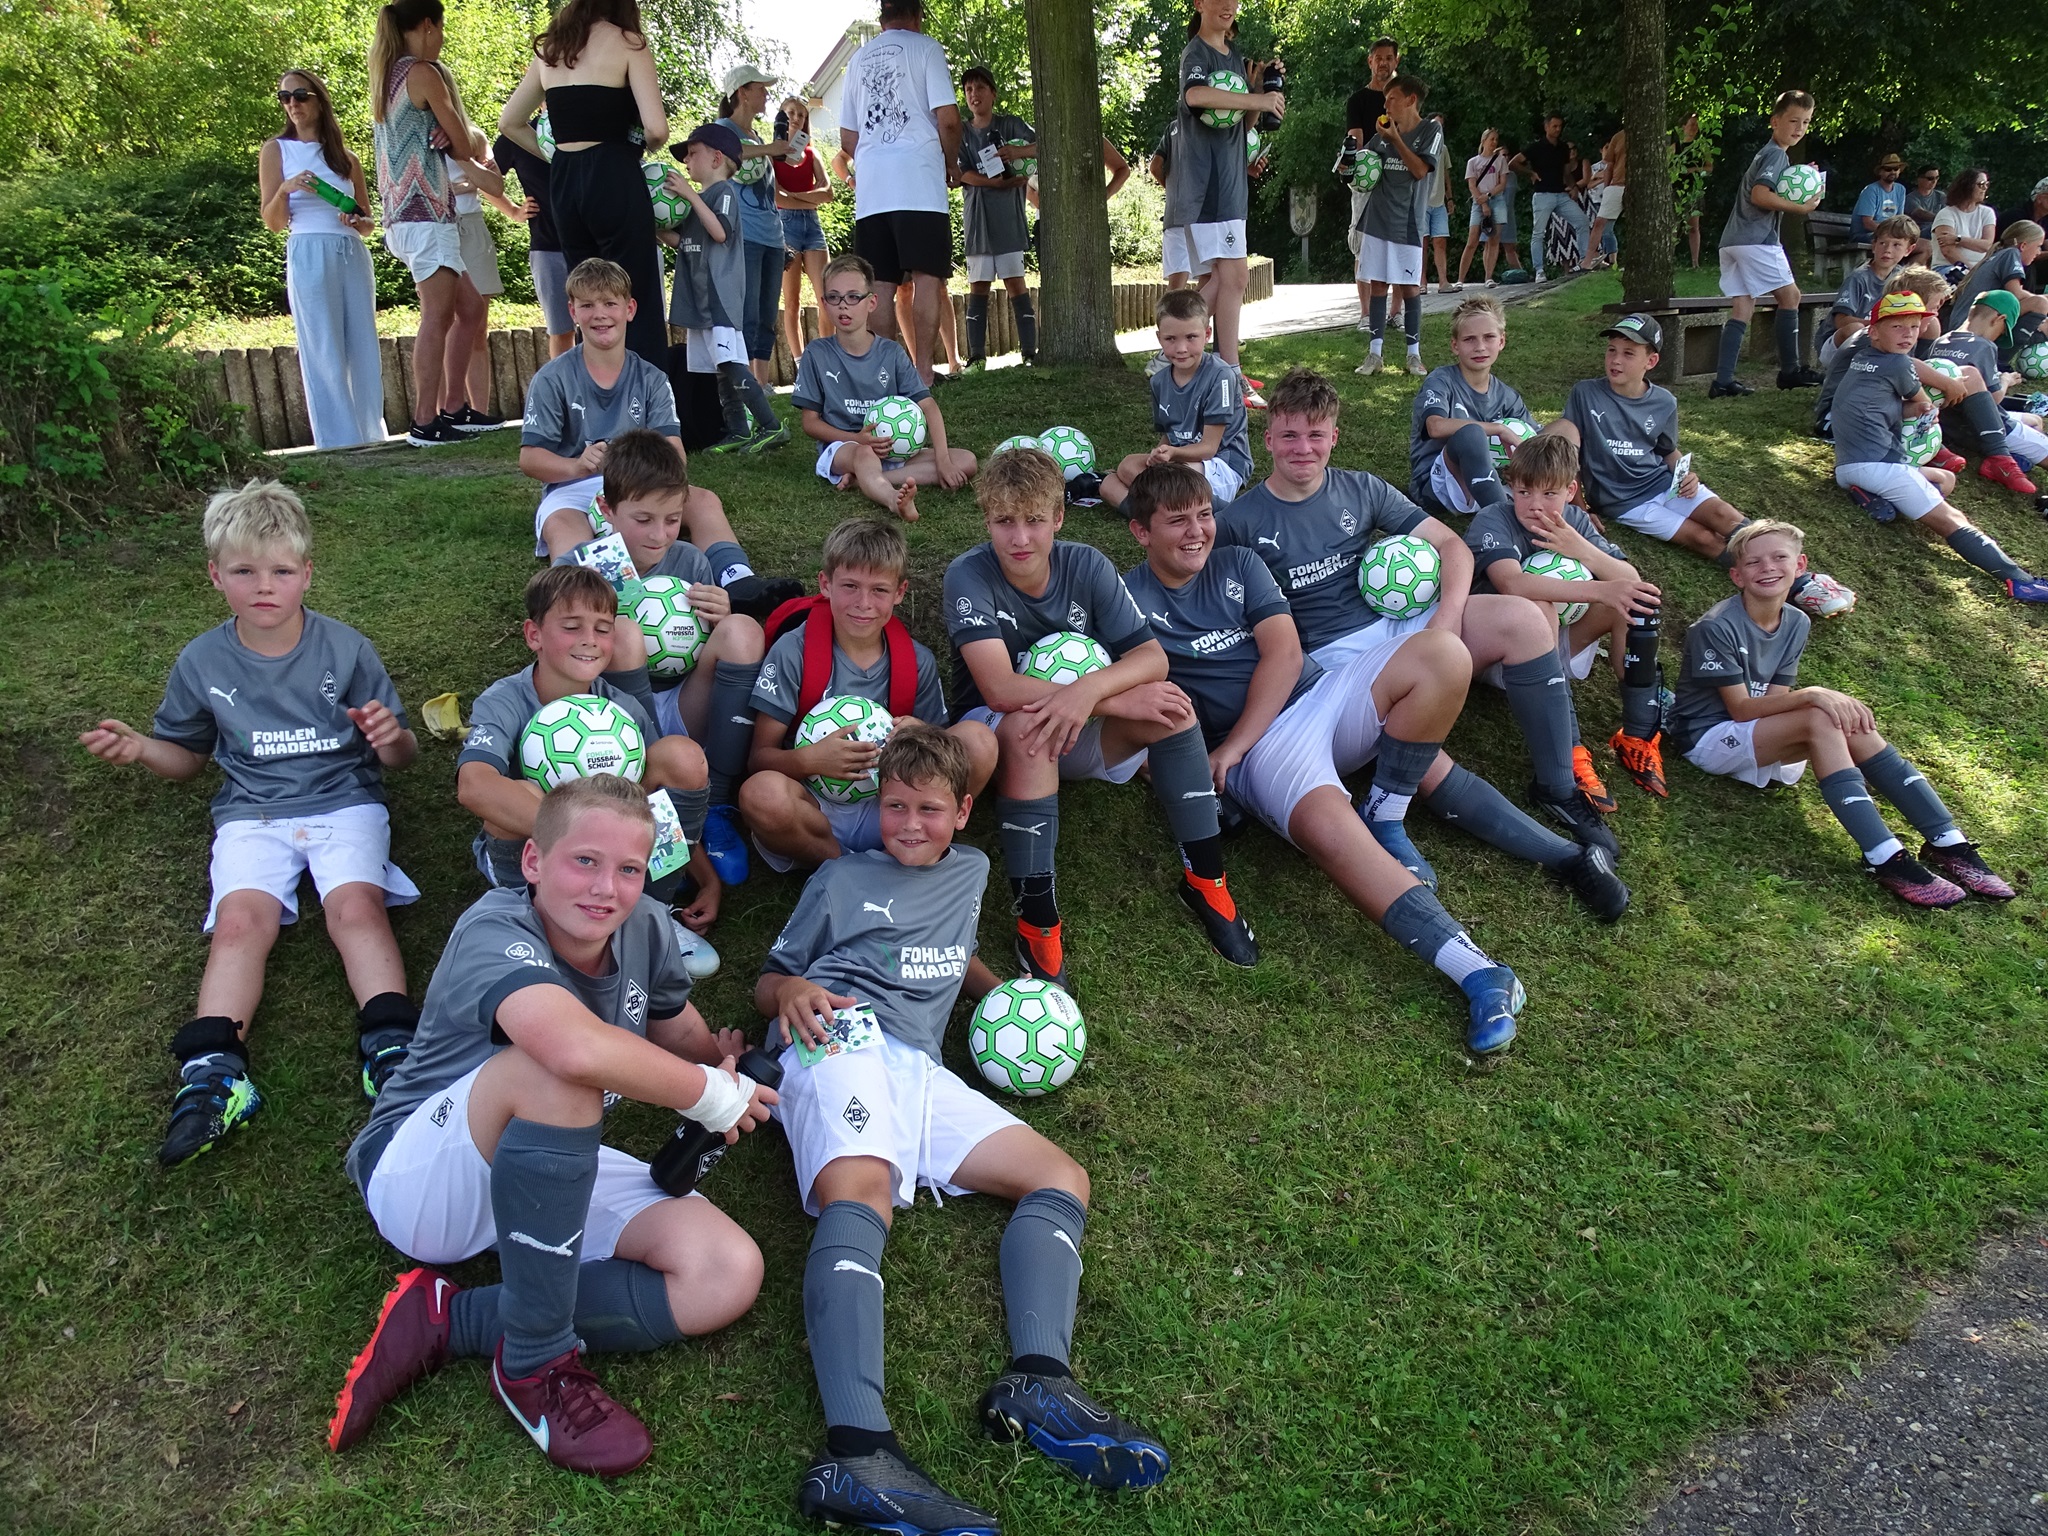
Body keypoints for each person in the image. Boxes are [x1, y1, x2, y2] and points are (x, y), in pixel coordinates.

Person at [759, 728, 1169, 1532]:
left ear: (963, 812)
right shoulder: (840, 878)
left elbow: (947, 952)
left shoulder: (973, 871)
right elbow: (771, 976)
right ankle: (856, 1452)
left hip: (918, 1065)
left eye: (928, 809)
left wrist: (1008, 996)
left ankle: (1040, 1382)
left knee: (1060, 1177)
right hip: (838, 1037)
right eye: (895, 807)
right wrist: (789, 993)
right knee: (863, 1193)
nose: (909, 824)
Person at [328, 774, 775, 1475]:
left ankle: (448, 1320)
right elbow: (571, 1048)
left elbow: (673, 1027)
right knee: (555, 1070)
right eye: (585, 861)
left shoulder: (644, 927)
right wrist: (709, 1096)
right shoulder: (494, 926)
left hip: (543, 1167)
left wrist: (731, 1068)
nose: (606, 888)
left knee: (725, 1270)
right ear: (534, 862)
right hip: (424, 1181)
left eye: (629, 869)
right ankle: (534, 1364)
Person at [1126, 466, 1624, 1031]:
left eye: (1204, 515)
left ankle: (1417, 820)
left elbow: (1284, 656)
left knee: (1442, 653)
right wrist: (1194, 762)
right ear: (1141, 532)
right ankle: (1483, 974)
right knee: (1332, 833)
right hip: (1263, 750)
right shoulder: (1127, 600)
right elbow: (1123, 709)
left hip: (1316, 695)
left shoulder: (1238, 562)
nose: (1197, 531)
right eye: (1177, 521)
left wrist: (1229, 748)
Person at [79, 480, 421, 1167]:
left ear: (307, 574)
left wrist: (390, 738)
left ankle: (391, 1050)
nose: (264, 586)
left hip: (345, 802)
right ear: (215, 576)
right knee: (240, 922)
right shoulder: (201, 661)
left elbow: (403, 755)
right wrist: (142, 749)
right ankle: (214, 1074)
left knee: (355, 908)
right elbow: (186, 758)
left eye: (282, 571)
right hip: (253, 813)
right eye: (244, 571)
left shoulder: (347, 649)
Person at [1219, 366, 1620, 858]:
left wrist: (1447, 618)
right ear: (1268, 439)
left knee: (1526, 620)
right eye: (1289, 436)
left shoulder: (1362, 489)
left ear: (1334, 438)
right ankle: (1397, 813)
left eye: (1315, 435)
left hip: (1401, 623)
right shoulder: (1237, 522)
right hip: (1334, 661)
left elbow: (1452, 546)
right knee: (1421, 749)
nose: (1303, 448)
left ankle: (1557, 786)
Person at [944, 447, 1259, 987]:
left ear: (1058, 517)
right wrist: (1107, 701)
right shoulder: (968, 574)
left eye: (1034, 520)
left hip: (1081, 725)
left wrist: (1087, 692)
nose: (1020, 538)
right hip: (999, 736)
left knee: (1171, 709)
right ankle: (1037, 924)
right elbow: (998, 689)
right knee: (1029, 729)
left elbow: (1152, 658)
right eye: (1004, 522)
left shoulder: (1086, 564)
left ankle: (1207, 882)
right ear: (987, 520)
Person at [1669, 521, 2018, 906]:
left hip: (1754, 735)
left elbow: (1776, 699)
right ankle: (1883, 857)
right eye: (1753, 562)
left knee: (1843, 719)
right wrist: (1815, 695)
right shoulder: (1716, 626)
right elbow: (1741, 710)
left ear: (1800, 565)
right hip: (1706, 738)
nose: (1767, 567)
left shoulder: (1797, 621)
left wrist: (1817, 704)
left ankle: (1948, 842)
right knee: (1821, 714)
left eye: (1779, 557)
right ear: (1737, 575)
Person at [456, 565, 726, 950]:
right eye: (571, 627)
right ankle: (538, 924)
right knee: (518, 791)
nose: (589, 640)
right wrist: (586, 839)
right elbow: (473, 786)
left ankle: (651, 913)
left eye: (602, 629)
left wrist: (708, 880)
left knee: (681, 756)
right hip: (537, 855)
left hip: (613, 848)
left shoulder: (621, 707)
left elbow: (663, 804)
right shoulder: (505, 700)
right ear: (534, 635)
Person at [1551, 312, 1858, 619]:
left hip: (1662, 483)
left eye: (1628, 353)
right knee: (1704, 539)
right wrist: (1581, 508)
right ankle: (1790, 584)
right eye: (1612, 350)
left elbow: (1666, 450)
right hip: (1625, 502)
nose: (1616, 360)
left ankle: (1803, 581)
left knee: (1725, 516)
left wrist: (1685, 474)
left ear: (1651, 361)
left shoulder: (1664, 402)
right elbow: (1569, 453)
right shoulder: (1585, 393)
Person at [562, 429, 765, 883]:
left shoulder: (690, 561)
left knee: (743, 631)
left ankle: (717, 804)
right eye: (643, 519)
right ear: (606, 509)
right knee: (624, 633)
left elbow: (713, 639)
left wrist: (720, 615)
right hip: (614, 722)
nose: (659, 535)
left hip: (684, 705)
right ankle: (653, 803)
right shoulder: (578, 568)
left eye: (672, 519)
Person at [741, 519, 996, 872]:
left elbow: (943, 757)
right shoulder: (793, 652)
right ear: (825, 584)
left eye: (879, 590)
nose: (863, 603)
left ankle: (904, 852)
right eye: (850, 586)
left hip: (893, 807)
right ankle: (849, 871)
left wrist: (921, 734)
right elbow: (758, 759)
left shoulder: (916, 661)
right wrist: (810, 760)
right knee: (760, 794)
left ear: (900, 592)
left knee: (979, 741)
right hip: (815, 812)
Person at [522, 259, 755, 595]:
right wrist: (576, 466)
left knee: (704, 501)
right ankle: (583, 596)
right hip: (573, 489)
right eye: (587, 305)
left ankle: (738, 580)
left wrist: (645, 474)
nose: (600, 315)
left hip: (642, 485)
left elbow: (674, 452)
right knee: (564, 526)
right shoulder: (551, 378)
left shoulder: (651, 378)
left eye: (610, 304)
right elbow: (530, 459)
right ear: (572, 311)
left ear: (629, 309)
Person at [1466, 434, 1668, 798]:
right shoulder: (1493, 519)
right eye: (1524, 492)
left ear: (1570, 490)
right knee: (1539, 605)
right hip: (1501, 656)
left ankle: (1638, 736)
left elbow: (1631, 581)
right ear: (1510, 486)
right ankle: (1571, 751)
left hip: (1558, 637)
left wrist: (1583, 550)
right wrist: (1600, 590)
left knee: (1635, 601)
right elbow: (1513, 583)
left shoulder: (1574, 521)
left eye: (1549, 493)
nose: (1535, 505)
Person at [1829, 291, 2048, 603]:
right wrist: (1933, 403)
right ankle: (2019, 580)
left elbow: (1896, 407)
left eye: (1914, 326)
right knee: (1953, 520)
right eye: (1897, 326)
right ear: (1874, 332)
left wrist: (1918, 408)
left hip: (1848, 466)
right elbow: (1926, 400)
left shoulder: (1864, 360)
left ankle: (1869, 495)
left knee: (1945, 479)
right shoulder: (1898, 363)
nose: (1908, 334)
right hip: (1881, 465)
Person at [498, 0, 672, 369]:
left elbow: (509, 122)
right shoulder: (629, 42)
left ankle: (593, 395)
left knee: (587, 297)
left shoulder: (551, 49)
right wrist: (642, 148)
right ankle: (647, 400)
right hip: (614, 171)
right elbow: (657, 129)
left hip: (565, 182)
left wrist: (558, 157)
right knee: (634, 294)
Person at [368, 0, 490, 446]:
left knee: (471, 308)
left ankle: (455, 409)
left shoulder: (386, 75)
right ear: (426, 25)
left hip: (404, 215)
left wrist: (443, 133)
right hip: (425, 213)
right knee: (436, 317)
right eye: (440, 28)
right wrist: (448, 132)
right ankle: (424, 420)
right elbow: (465, 144)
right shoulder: (422, 72)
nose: (441, 39)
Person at [792, 253, 975, 522]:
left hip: (893, 449)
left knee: (966, 461)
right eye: (834, 297)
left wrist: (944, 461)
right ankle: (893, 500)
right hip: (845, 448)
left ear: (872, 302)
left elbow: (928, 406)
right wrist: (857, 438)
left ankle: (865, 480)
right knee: (865, 454)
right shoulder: (817, 353)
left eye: (853, 297)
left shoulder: (891, 353)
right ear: (824, 303)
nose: (843, 306)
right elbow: (810, 423)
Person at [837, 0, 961, 386]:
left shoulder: (857, 61)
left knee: (879, 286)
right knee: (927, 278)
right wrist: (950, 163)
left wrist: (875, 159)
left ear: (881, 19)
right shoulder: (927, 48)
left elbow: (847, 138)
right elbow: (949, 121)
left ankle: (885, 377)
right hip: (919, 182)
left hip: (873, 191)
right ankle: (922, 372)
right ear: (918, 15)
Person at [259, 70, 385, 448]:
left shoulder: (346, 158)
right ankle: (337, 440)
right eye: (284, 98)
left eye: (300, 95)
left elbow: (367, 223)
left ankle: (370, 433)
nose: (292, 104)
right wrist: (285, 190)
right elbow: (273, 223)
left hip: (350, 252)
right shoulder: (277, 150)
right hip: (309, 250)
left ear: (319, 100)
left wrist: (357, 220)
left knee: (362, 343)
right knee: (322, 346)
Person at [1167, 0, 1283, 407]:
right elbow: (1196, 95)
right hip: (1208, 186)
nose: (1229, 5)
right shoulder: (1195, 52)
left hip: (1231, 186)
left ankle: (1208, 364)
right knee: (1233, 278)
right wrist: (1258, 102)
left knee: (1225, 280)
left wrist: (1260, 92)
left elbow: (1239, 123)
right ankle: (1190, 354)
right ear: (1199, 4)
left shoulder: (1233, 56)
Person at [666, 121, 788, 454]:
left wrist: (690, 195)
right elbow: (684, 241)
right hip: (700, 301)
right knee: (720, 370)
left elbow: (720, 233)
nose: (686, 161)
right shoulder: (700, 201)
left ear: (717, 158)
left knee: (731, 363)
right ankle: (738, 430)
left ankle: (772, 426)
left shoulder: (724, 194)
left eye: (692, 153)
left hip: (719, 298)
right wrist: (656, 227)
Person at [1709, 89, 1824, 398]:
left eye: (1806, 122)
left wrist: (1804, 177)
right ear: (1775, 121)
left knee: (1743, 306)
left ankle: (1723, 381)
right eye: (1793, 121)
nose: (1799, 128)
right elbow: (1760, 195)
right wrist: (1800, 207)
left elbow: (1778, 186)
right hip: (1755, 240)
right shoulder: (1775, 154)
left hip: (1732, 241)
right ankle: (1790, 372)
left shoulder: (1768, 154)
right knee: (1791, 296)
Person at [1099, 289, 1254, 510]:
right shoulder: (1159, 381)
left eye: (1191, 337)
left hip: (1220, 464)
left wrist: (1172, 455)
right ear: (1159, 338)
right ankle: (1164, 512)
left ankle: (1221, 513)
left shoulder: (1221, 376)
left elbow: (1209, 448)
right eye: (1170, 339)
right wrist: (1159, 455)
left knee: (1175, 480)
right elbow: (1169, 435)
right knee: (1118, 474)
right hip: (1178, 461)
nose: (1181, 349)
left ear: (1207, 334)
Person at [1406, 294, 1530, 519]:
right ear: (1455, 345)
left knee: (1556, 436)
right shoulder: (1441, 380)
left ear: (1501, 341)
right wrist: (1497, 429)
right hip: (1440, 486)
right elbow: (1435, 426)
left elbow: (1532, 440)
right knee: (1471, 434)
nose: (1480, 347)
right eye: (1469, 339)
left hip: (1495, 481)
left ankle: (1565, 512)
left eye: (1489, 337)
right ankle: (1505, 522)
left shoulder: (1508, 396)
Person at [1352, 73, 1442, 377]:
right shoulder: (1383, 132)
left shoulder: (1430, 130)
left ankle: (1413, 355)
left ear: (1411, 100)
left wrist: (1395, 140)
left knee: (1409, 286)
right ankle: (1374, 354)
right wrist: (1349, 164)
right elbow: (1366, 165)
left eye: (1392, 99)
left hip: (1408, 222)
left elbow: (1420, 170)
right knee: (1378, 284)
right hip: (1378, 219)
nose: (1386, 105)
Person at [956, 64, 1039, 369]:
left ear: (993, 93)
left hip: (1009, 219)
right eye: (968, 89)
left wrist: (1017, 154)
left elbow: (1042, 146)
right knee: (978, 286)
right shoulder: (961, 132)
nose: (973, 94)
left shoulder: (1011, 125)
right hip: (978, 221)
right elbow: (961, 173)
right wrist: (995, 183)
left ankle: (1029, 353)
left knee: (1016, 284)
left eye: (979, 87)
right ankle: (977, 357)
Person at [714, 65, 791, 391]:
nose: (767, 94)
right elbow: (729, 153)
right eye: (761, 88)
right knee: (747, 313)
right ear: (742, 93)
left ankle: (761, 382)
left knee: (766, 315)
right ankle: (743, 383)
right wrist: (771, 149)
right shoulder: (723, 129)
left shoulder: (757, 136)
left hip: (772, 236)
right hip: (744, 236)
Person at [1927, 291, 2048, 486]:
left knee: (2034, 420)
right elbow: (1994, 399)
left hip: (1949, 425)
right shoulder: (1983, 346)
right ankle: (2011, 455)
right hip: (1985, 426)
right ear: (1999, 319)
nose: (1999, 336)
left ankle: (2019, 455)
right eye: (2003, 331)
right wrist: (2005, 380)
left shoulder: (1941, 340)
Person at [493, 117, 575, 359]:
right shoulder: (517, 133)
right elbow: (485, 180)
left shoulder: (584, 124)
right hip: (547, 247)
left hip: (595, 245)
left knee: (600, 325)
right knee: (562, 330)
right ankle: (562, 384)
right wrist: (513, 211)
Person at [444, 145, 511, 429]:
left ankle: (478, 413)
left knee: (477, 329)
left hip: (472, 226)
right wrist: (464, 185)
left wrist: (466, 164)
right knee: (443, 323)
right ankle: (446, 411)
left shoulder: (474, 137)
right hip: (438, 226)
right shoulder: (418, 134)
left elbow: (493, 185)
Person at [774, 96, 835, 367]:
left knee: (827, 296)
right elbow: (777, 197)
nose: (796, 118)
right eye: (791, 113)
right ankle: (801, 363)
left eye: (801, 114)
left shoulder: (811, 153)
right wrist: (810, 197)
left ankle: (828, 358)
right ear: (781, 116)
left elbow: (828, 193)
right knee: (792, 301)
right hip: (784, 225)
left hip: (812, 226)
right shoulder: (771, 154)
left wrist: (794, 197)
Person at [1344, 35, 1400, 324]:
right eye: (1379, 58)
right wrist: (1355, 164)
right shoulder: (1358, 100)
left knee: (1399, 245)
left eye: (1389, 58)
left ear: (1396, 61)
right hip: (1366, 180)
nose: (1383, 63)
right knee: (1363, 246)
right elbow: (1355, 140)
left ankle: (1396, 312)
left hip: (1399, 179)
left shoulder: (1404, 99)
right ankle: (1366, 315)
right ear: (1370, 61)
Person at [1822, 214, 1916, 368]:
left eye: (1896, 245)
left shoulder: (1904, 279)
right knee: (1857, 329)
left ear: (1909, 250)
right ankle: (1850, 370)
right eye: (1882, 243)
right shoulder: (1858, 278)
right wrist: (1879, 326)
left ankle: (1912, 367)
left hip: (1880, 339)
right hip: (1839, 345)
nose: (1887, 250)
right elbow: (1841, 321)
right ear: (1874, 246)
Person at [1948, 220, 2048, 349]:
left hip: (1966, 323)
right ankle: (2009, 353)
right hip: (1973, 325)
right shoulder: (2010, 254)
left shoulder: (1998, 255)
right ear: (2023, 246)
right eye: (2038, 246)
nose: (2039, 252)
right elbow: (2016, 295)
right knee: (2040, 303)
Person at [1510, 113, 1585, 283]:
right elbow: (1513, 163)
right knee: (1538, 232)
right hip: (1543, 194)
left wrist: (1573, 187)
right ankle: (1539, 270)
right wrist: (1530, 172)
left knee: (1582, 221)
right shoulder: (1536, 147)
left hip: (1561, 193)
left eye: (1560, 126)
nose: (1558, 130)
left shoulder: (1563, 148)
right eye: (1554, 126)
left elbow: (1566, 172)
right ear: (1546, 127)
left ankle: (1584, 260)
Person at [1456, 128, 1514, 286]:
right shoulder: (1473, 162)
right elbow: (1471, 185)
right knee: (1472, 241)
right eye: (1491, 139)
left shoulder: (1500, 160)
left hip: (1496, 199)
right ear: (1483, 141)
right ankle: (1460, 280)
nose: (1494, 142)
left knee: (1494, 239)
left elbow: (1502, 184)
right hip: (1478, 201)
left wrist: (1488, 196)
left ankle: (1488, 277)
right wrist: (1483, 203)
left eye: (1496, 139)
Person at [1933, 168, 1996, 274]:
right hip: (1948, 267)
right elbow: (1948, 251)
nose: (1985, 188)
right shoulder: (1946, 214)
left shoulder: (1987, 213)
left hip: (1979, 269)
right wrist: (1971, 272)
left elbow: (1987, 245)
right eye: (1981, 184)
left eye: (1987, 184)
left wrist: (1957, 239)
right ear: (1967, 186)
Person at [1672, 111, 1713, 268]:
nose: (1695, 128)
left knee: (1693, 227)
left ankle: (1695, 262)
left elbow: (1709, 168)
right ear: (1684, 126)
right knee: (1673, 226)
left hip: (1694, 190)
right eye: (1692, 124)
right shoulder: (1675, 147)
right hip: (1676, 189)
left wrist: (1694, 170)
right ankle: (1669, 259)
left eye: (1696, 125)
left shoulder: (1702, 146)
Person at [1580, 129, 1624, 272]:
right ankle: (1588, 262)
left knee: (1608, 230)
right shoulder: (1618, 137)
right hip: (1614, 186)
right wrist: (1606, 186)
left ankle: (1614, 261)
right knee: (1600, 224)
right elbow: (1609, 165)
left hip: (1636, 185)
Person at [1424, 113, 1456, 293]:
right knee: (1422, 243)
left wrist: (1449, 198)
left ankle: (1443, 281)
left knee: (1441, 241)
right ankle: (1421, 282)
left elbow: (1446, 174)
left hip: (1439, 203)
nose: (1439, 128)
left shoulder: (1443, 149)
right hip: (1421, 203)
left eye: (1441, 126)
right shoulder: (1419, 145)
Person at [1851, 153, 1908, 245]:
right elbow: (1867, 223)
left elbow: (1899, 219)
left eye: (1896, 169)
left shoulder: (1901, 189)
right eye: (1888, 169)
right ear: (1880, 172)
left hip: (1890, 235)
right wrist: (1890, 233)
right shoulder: (1871, 190)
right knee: (1895, 243)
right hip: (1864, 235)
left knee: (1925, 245)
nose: (1892, 172)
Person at [1904, 164, 1944, 262]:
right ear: (1919, 179)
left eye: (1937, 178)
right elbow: (1920, 213)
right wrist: (1942, 219)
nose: (1934, 181)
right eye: (1930, 178)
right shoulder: (1910, 198)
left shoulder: (1941, 196)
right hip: (1919, 232)